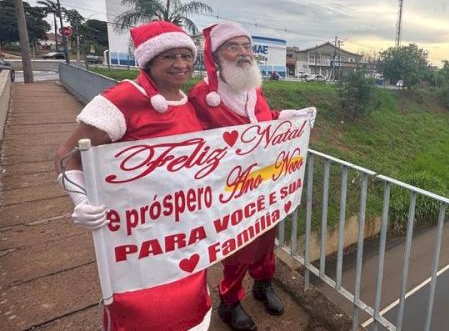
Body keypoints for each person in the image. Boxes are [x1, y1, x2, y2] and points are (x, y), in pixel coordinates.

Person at [54, 21, 211, 331]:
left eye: (185, 55)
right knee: (146, 311)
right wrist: (80, 200)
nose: (180, 64)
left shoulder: (187, 100)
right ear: (148, 61)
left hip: (184, 230)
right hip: (137, 237)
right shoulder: (123, 98)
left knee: (191, 304)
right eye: (168, 57)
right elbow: (66, 157)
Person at [189, 22, 314, 331]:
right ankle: (229, 301)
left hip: (264, 182)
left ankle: (263, 283)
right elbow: (194, 142)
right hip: (229, 190)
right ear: (216, 56)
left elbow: (264, 120)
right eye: (234, 47)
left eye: (247, 46)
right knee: (237, 248)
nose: (243, 52)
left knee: (266, 238)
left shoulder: (253, 88)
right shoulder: (202, 95)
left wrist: (290, 117)